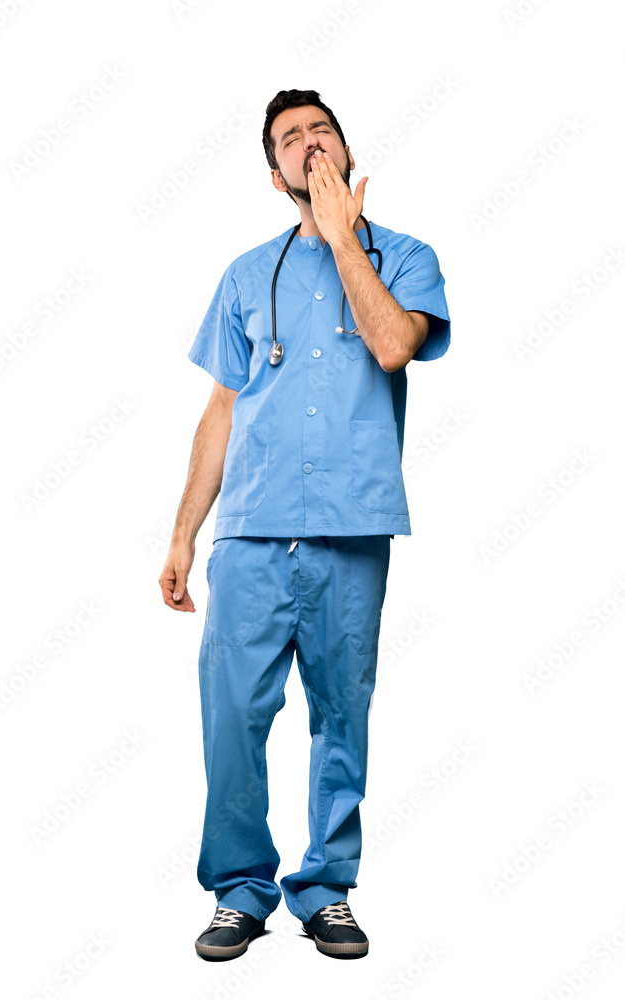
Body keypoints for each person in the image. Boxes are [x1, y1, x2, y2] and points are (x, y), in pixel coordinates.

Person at [158, 88, 451, 961]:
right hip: (249, 533)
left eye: (321, 129)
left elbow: (395, 343)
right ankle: (240, 891)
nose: (309, 144)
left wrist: (345, 238)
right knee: (232, 719)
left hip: (350, 531)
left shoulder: (402, 255)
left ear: (347, 147)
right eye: (290, 139)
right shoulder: (248, 275)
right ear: (272, 172)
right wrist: (181, 533)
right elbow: (220, 409)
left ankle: (325, 888)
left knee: (340, 716)